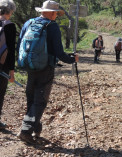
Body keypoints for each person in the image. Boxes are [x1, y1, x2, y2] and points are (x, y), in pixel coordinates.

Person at [17, 0, 78, 144]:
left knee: (31, 98)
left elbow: (19, 44)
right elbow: (59, 52)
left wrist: (21, 63)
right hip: (46, 68)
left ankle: (36, 128)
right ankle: (26, 131)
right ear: (50, 13)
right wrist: (72, 60)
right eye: (56, 13)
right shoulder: (52, 26)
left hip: (29, 66)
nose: (56, 15)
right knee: (40, 101)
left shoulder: (29, 23)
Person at [0, 0, 16, 130]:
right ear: (10, 10)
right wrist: (11, 72)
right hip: (3, 63)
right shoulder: (10, 26)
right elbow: (11, 51)